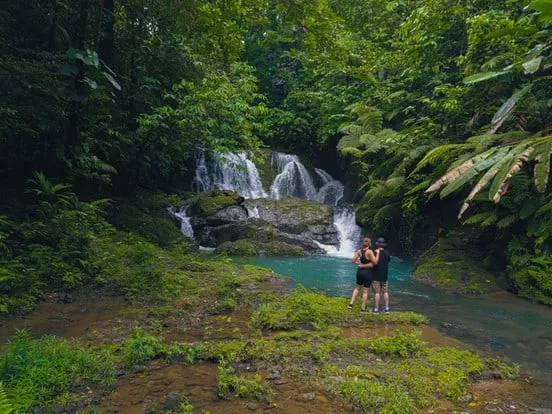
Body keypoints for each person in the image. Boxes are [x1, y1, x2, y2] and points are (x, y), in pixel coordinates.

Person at [348, 237, 380, 312]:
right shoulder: (369, 252)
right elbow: (374, 262)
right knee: (365, 291)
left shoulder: (359, 251)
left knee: (357, 288)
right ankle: (362, 308)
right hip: (367, 272)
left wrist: (359, 264)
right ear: (369, 243)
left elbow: (353, 260)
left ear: (363, 243)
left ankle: (350, 304)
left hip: (359, 272)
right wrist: (378, 254)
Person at [372, 237, 391, 314]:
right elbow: (388, 261)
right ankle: (387, 308)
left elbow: (373, 262)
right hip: (385, 276)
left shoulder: (375, 252)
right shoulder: (387, 253)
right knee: (385, 292)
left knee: (377, 293)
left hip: (376, 275)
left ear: (377, 244)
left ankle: (376, 309)